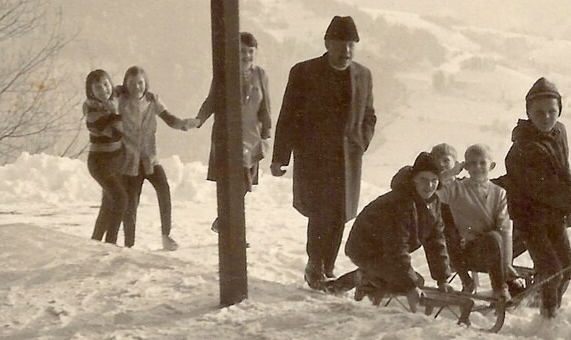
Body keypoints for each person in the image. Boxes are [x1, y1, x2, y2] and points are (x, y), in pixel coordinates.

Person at [271, 15, 377, 290]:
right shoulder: (304, 72)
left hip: (347, 160)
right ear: (328, 44)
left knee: (340, 213)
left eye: (352, 45)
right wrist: (280, 157)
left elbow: (369, 115)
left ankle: (327, 264)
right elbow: (288, 117)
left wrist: (361, 142)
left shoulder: (363, 76)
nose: (347, 51)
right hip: (315, 158)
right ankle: (315, 265)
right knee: (320, 212)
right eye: (341, 45)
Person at [504, 77, 571, 319]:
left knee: (566, 270)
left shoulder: (559, 131)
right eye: (539, 112)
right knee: (552, 270)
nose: (546, 117)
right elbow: (544, 190)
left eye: (551, 111)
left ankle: (539, 303)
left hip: (554, 214)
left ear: (559, 110)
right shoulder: (521, 150)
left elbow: (563, 169)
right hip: (530, 218)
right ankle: (548, 315)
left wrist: (570, 208)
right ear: (528, 112)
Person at [344, 152, 452, 309]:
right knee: (411, 282)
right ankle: (364, 278)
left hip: (386, 251)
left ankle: (371, 276)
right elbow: (396, 246)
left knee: (411, 280)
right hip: (365, 249)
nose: (429, 186)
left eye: (434, 180)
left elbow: (436, 241)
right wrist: (410, 287)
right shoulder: (400, 203)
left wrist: (442, 279)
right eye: (423, 179)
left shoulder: (433, 202)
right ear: (413, 179)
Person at [194, 31, 272, 234]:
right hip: (228, 138)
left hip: (252, 138)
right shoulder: (224, 74)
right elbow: (211, 100)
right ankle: (232, 230)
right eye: (242, 51)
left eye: (250, 52)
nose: (246, 56)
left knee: (243, 185)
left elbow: (265, 106)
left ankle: (225, 221)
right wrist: (199, 119)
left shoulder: (260, 75)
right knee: (235, 183)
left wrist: (267, 132)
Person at [117, 66, 196, 250]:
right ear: (125, 84)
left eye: (140, 83)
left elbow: (169, 118)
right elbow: (108, 97)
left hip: (150, 160)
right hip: (130, 162)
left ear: (146, 84)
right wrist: (117, 89)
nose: (136, 87)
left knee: (164, 190)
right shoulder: (122, 101)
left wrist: (184, 124)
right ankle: (129, 244)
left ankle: (166, 235)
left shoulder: (152, 101)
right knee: (131, 204)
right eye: (131, 83)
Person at [435, 143, 519, 301]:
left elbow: (505, 228)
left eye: (482, 163)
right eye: (472, 163)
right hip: (468, 251)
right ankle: (500, 289)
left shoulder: (499, 193)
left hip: (494, 250)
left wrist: (507, 263)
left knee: (496, 236)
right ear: (465, 166)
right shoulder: (456, 188)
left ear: (492, 166)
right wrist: (450, 173)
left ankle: (504, 285)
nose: (477, 167)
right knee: (492, 238)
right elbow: (433, 190)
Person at [83, 69, 127, 244]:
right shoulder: (92, 113)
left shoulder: (110, 97)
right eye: (98, 88)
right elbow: (116, 134)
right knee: (120, 199)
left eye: (106, 85)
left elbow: (122, 89)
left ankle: (95, 242)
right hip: (100, 163)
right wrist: (115, 112)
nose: (104, 90)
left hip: (115, 160)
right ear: (91, 92)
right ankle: (111, 242)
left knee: (108, 204)